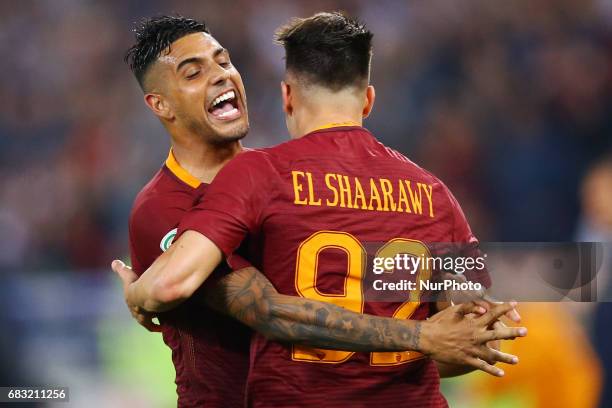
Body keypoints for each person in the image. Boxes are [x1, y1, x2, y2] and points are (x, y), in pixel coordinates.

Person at [116, 13, 526, 408]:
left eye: (224, 61)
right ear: (161, 105)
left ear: (287, 96)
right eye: (193, 72)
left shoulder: (277, 179)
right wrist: (423, 336)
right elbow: (267, 310)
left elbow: (453, 338)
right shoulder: (162, 207)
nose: (221, 75)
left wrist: (426, 339)